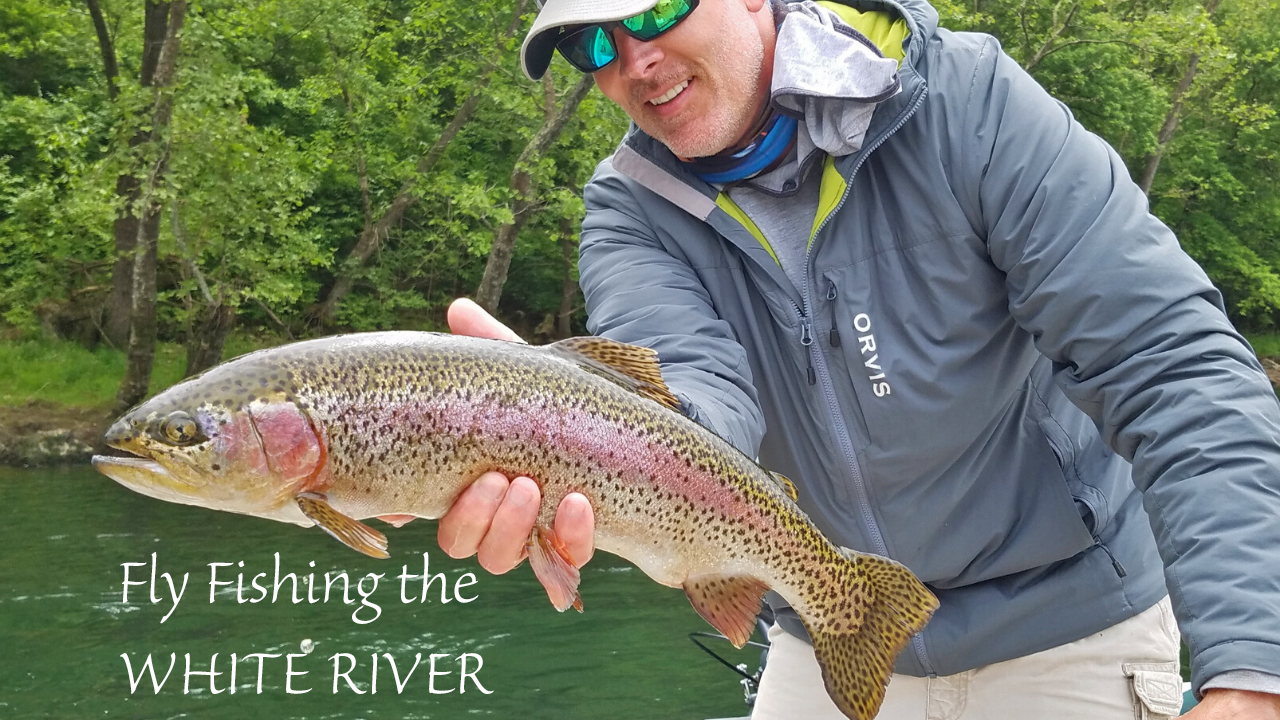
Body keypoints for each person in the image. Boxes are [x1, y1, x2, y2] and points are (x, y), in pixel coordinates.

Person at [432, 0, 1280, 717]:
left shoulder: (965, 105)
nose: (635, 60)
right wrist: (563, 428)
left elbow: (1172, 368)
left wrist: (1252, 666)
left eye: (657, 8)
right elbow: (695, 401)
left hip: (1077, 627)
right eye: (592, 44)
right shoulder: (630, 211)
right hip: (822, 630)